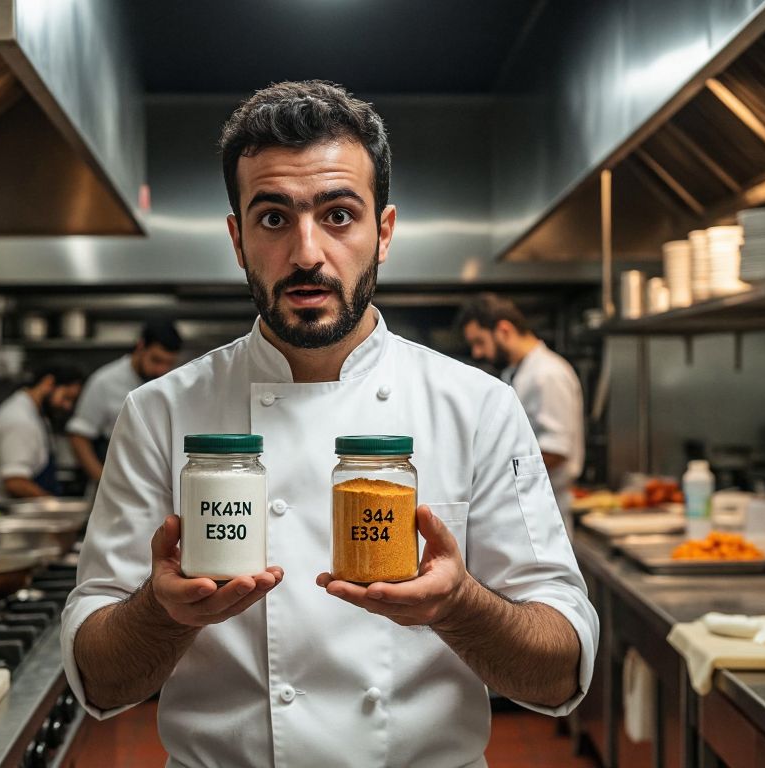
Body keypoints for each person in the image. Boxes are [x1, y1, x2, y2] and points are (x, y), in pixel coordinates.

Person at [61, 80, 596, 767]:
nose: (307, 252)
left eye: (339, 215)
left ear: (385, 232)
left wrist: (458, 604)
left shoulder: (477, 408)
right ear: (237, 238)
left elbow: (561, 671)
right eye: (274, 218)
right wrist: (162, 613)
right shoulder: (160, 413)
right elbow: (99, 681)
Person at [458, 294, 585, 523]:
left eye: (480, 342)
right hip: (525, 506)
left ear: (504, 330)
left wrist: (490, 476)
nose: (477, 353)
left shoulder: (548, 374)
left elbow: (556, 451)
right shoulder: (516, 373)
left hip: (544, 511)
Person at [67, 321, 183, 486]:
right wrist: (104, 483)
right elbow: (79, 437)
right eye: (156, 360)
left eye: (168, 363)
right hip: (117, 478)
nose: (161, 370)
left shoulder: (173, 383)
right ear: (141, 346)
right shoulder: (105, 382)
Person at [0, 365, 84, 503]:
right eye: (66, 397)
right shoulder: (19, 420)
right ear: (48, 383)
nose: (67, 406)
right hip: (6, 513)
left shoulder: (37, 414)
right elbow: (15, 482)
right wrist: (53, 505)